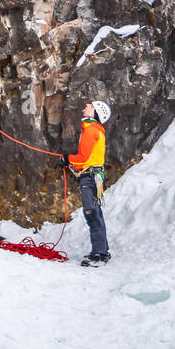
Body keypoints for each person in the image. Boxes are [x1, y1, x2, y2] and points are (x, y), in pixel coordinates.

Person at [62, 99, 111, 266]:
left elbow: (83, 158)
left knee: (91, 211)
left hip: (89, 177)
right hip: (93, 175)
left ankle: (99, 253)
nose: (86, 106)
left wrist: (67, 159)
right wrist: (69, 162)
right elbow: (87, 159)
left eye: (89, 105)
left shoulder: (91, 130)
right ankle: (102, 250)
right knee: (95, 210)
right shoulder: (94, 129)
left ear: (94, 112)